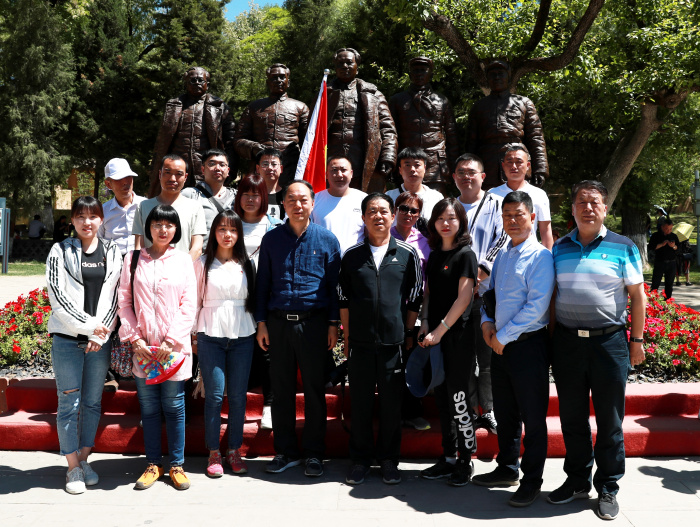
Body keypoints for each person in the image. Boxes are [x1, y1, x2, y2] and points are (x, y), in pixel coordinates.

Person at [549, 180, 646, 521]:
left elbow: (637, 296)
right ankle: (577, 480)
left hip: (609, 344)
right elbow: (552, 296)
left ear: (605, 208)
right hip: (567, 344)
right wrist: (551, 340)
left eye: (594, 202)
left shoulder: (623, 246)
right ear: (573, 208)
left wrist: (636, 341)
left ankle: (608, 486)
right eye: (582, 202)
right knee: (572, 417)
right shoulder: (559, 247)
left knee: (610, 420)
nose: (588, 208)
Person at [472, 191, 555, 508]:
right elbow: (489, 296)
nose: (512, 221)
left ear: (532, 218)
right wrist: (486, 324)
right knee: (506, 413)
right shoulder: (504, 256)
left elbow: (537, 307)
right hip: (500, 345)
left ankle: (532, 481)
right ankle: (507, 468)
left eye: (519, 214)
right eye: (507, 216)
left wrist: (502, 336)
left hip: (527, 347)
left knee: (533, 418)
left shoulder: (541, 257)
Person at [255, 180, 341, 477]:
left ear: (313, 203)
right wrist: (261, 322)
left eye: (303, 199)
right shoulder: (271, 240)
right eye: (291, 199)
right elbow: (263, 284)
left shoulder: (327, 240)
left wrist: (333, 324)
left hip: (314, 324)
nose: (297, 204)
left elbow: (334, 287)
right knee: (281, 391)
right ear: (284, 204)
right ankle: (286, 451)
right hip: (278, 324)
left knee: (315, 390)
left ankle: (314, 453)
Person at [339, 193, 423, 486]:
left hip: (393, 346)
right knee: (360, 405)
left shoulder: (407, 254)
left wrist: (408, 333)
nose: (378, 216)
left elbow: (415, 297)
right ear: (363, 218)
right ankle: (360, 461)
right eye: (372, 211)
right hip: (360, 345)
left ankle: (388, 460)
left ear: (392, 215)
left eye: (384, 211)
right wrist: (347, 337)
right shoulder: (351, 256)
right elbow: (343, 299)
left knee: (391, 407)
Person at [46, 196, 122, 494]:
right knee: (69, 404)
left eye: (92, 216)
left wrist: (98, 336)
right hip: (67, 340)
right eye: (80, 216)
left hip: (98, 344)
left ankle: (85, 459)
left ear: (101, 219)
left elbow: (115, 297)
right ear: (72, 220)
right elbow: (57, 296)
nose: (86, 222)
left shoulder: (112, 251)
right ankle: (72, 468)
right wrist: (90, 327)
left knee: (92, 403)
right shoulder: (60, 250)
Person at [118, 204, 197, 491]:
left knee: (174, 406)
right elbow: (124, 301)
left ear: (176, 229)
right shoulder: (133, 259)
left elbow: (189, 304)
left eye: (169, 225)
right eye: (157, 224)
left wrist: (170, 340)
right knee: (149, 408)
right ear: (148, 227)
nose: (163, 230)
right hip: (143, 348)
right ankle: (153, 464)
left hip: (172, 349)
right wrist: (135, 338)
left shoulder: (184, 260)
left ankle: (177, 465)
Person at [418, 198, 478, 487]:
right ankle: (448, 457)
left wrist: (440, 330)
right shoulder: (433, 254)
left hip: (458, 337)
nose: (446, 223)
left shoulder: (466, 254)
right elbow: (428, 293)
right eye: (440, 218)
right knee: (441, 398)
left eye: (452, 218)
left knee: (459, 399)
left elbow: (464, 297)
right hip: (435, 335)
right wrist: (425, 322)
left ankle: (466, 460)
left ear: (461, 222)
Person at [193, 210, 257, 477]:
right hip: (210, 335)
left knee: (239, 396)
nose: (227, 234)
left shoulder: (247, 263)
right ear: (214, 233)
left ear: (239, 234)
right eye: (222, 229)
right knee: (215, 396)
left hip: (243, 334)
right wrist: (193, 335)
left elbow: (253, 299)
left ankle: (234, 450)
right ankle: (213, 452)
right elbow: (194, 300)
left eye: (232, 229)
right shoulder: (202, 263)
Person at [453, 153, 509, 435]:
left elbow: (503, 238)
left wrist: (478, 274)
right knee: (462, 360)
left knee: (487, 358)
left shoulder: (497, 204)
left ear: (483, 176)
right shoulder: (449, 206)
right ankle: (469, 411)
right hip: (456, 297)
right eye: (461, 172)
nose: (467, 177)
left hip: (487, 294)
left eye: (472, 172)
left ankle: (489, 410)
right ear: (454, 177)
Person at [234, 173, 281, 429]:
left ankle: (270, 407)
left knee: (268, 352)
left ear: (264, 197)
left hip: (267, 298)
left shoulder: (275, 226)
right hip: (234, 299)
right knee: (238, 350)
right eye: (246, 194)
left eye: (256, 194)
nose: (250, 199)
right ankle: (236, 405)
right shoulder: (229, 223)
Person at [149, 66, 237, 194]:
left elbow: (230, 141)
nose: (197, 83)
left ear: (207, 84)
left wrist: (231, 169)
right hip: (178, 169)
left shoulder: (220, 107)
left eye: (201, 80)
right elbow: (162, 140)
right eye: (193, 80)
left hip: (207, 169)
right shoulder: (173, 105)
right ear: (186, 83)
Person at [466, 60, 548, 190]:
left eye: (501, 74)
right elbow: (471, 143)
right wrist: (469, 170)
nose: (497, 77)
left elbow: (536, 138)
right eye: (492, 74)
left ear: (508, 77)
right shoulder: (479, 107)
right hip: (488, 167)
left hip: (518, 165)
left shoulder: (524, 103)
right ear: (487, 79)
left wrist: (540, 169)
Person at [327, 48, 397, 192]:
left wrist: (388, 157)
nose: (344, 66)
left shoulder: (373, 94)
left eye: (349, 63)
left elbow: (388, 129)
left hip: (364, 162)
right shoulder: (325, 94)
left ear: (357, 68)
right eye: (340, 63)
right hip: (331, 163)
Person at [390, 191, 431, 431]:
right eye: (403, 208)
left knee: (413, 362)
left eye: (413, 210)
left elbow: (429, 280)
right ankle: (392, 414)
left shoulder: (424, 242)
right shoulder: (384, 235)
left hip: (416, 311)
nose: (408, 213)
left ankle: (413, 413)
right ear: (395, 210)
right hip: (389, 309)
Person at [388, 56, 459, 195]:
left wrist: (454, 167)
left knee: (437, 204)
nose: (419, 74)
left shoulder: (442, 101)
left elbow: (452, 137)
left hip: (436, 165)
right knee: (406, 202)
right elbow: (391, 134)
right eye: (415, 70)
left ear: (430, 74)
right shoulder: (398, 100)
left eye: (423, 70)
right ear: (410, 74)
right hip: (407, 163)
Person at [234, 63, 310, 187]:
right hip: (260, 170)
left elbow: (309, 144)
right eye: (274, 78)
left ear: (288, 82)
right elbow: (238, 141)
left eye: (282, 77)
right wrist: (254, 147)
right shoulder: (254, 107)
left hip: (291, 169)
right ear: (268, 82)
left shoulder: (300, 107)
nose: (278, 80)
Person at [133, 154, 207, 260]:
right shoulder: (143, 206)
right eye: (167, 172)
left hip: (182, 269)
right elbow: (139, 246)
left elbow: (197, 248)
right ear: (160, 174)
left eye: (179, 174)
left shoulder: (195, 207)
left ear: (185, 177)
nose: (172, 179)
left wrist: (180, 267)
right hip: (149, 268)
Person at [490, 144, 553, 249]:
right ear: (503, 165)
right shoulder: (491, 194)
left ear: (528, 165)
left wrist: (548, 255)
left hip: (529, 253)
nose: (514, 166)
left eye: (519, 162)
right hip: (498, 255)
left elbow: (546, 231)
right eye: (509, 162)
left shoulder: (539, 194)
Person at [181, 149, 236, 248]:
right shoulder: (189, 195)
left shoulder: (236, 197)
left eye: (222, 165)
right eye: (212, 164)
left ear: (228, 171)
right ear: (203, 169)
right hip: (199, 254)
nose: (217, 168)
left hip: (228, 255)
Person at [311, 155, 367, 255]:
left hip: (356, 260)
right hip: (323, 260)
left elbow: (370, 233)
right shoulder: (314, 200)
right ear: (326, 174)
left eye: (343, 170)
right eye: (334, 170)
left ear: (351, 173)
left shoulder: (364, 199)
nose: (339, 174)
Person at [386, 147, 444, 234]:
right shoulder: (389, 196)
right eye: (407, 165)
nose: (412, 169)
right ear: (400, 170)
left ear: (424, 168)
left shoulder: (436, 197)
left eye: (417, 165)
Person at [99, 158, 146, 256]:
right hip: (112, 262)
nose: (125, 182)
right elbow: (97, 241)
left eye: (128, 177)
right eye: (119, 179)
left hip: (142, 261)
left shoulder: (146, 206)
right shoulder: (102, 211)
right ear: (108, 184)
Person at [649, 217, 680, 299]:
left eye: (670, 229)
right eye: (666, 229)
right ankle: (652, 300)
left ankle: (668, 301)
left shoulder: (674, 236)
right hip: (660, 262)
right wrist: (661, 244)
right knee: (655, 283)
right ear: (662, 227)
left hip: (671, 262)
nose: (668, 230)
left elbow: (678, 249)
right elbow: (651, 247)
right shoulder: (656, 235)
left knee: (669, 284)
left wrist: (673, 246)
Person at [255, 147, 286, 221]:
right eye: (265, 164)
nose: (270, 168)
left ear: (281, 168)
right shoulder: (251, 194)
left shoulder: (287, 195)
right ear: (258, 169)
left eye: (274, 164)